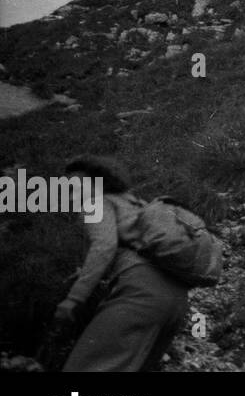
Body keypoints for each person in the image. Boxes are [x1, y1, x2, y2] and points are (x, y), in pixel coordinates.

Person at [53, 156, 190, 372]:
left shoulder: (95, 203)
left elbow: (104, 247)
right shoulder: (134, 202)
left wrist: (74, 298)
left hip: (141, 293)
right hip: (177, 300)